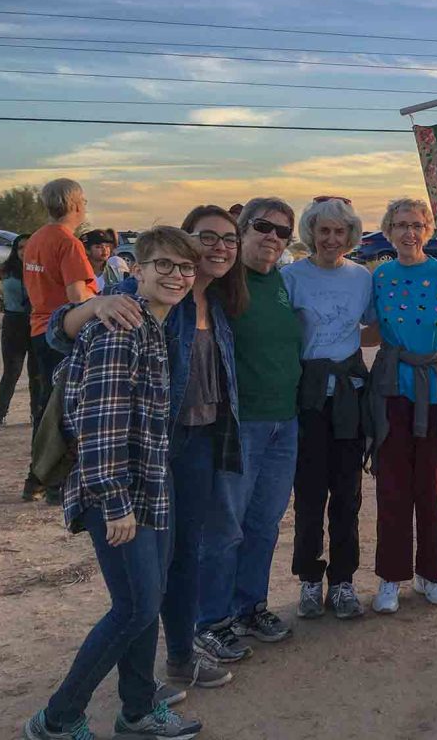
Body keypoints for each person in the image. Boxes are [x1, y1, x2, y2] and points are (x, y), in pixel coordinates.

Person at [49, 205, 249, 691]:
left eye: (229, 239)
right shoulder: (141, 297)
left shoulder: (218, 303)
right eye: (207, 237)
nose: (218, 247)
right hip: (150, 450)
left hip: (199, 441)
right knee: (146, 581)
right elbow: (58, 331)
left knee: (184, 558)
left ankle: (179, 659)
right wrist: (92, 305)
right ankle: (135, 693)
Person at [22, 227, 203, 740]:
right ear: (136, 269)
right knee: (137, 606)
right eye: (163, 265)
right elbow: (98, 425)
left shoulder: (153, 324)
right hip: (118, 492)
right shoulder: (120, 326)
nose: (176, 275)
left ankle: (138, 709)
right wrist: (115, 502)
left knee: (148, 599)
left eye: (184, 268)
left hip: (150, 483)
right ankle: (58, 719)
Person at [195, 197, 302, 657]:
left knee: (265, 524)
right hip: (240, 426)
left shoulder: (282, 282)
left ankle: (249, 606)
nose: (273, 237)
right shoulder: (222, 283)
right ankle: (210, 620)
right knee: (226, 528)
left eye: (283, 230)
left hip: (285, 423)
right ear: (242, 230)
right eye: (263, 227)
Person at [368, 197, 437, 615]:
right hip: (393, 390)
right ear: (388, 231)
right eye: (400, 225)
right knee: (392, 488)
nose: (409, 232)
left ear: (429, 230)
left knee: (432, 490)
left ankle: (433, 575)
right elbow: (374, 331)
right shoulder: (379, 277)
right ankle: (390, 578)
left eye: (417, 224)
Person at [282, 197, 376, 621]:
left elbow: (372, 327)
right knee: (309, 492)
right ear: (311, 234)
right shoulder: (291, 276)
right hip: (308, 395)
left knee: (347, 492)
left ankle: (342, 582)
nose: (332, 240)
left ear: (351, 235)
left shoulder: (361, 277)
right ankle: (307, 579)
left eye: (340, 232)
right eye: (324, 231)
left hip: (349, 395)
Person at [22, 178, 97, 501]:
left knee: (44, 405)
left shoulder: (37, 238)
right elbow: (77, 295)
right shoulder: (68, 243)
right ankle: (55, 483)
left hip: (38, 328)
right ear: (76, 204)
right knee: (65, 407)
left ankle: (36, 477)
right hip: (62, 335)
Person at [0, 234, 42, 431]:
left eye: (29, 247)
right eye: (20, 247)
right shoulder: (6, 269)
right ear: (15, 250)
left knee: (36, 373)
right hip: (13, 322)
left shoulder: (42, 268)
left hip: (37, 323)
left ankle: (37, 416)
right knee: (11, 372)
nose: (24, 251)